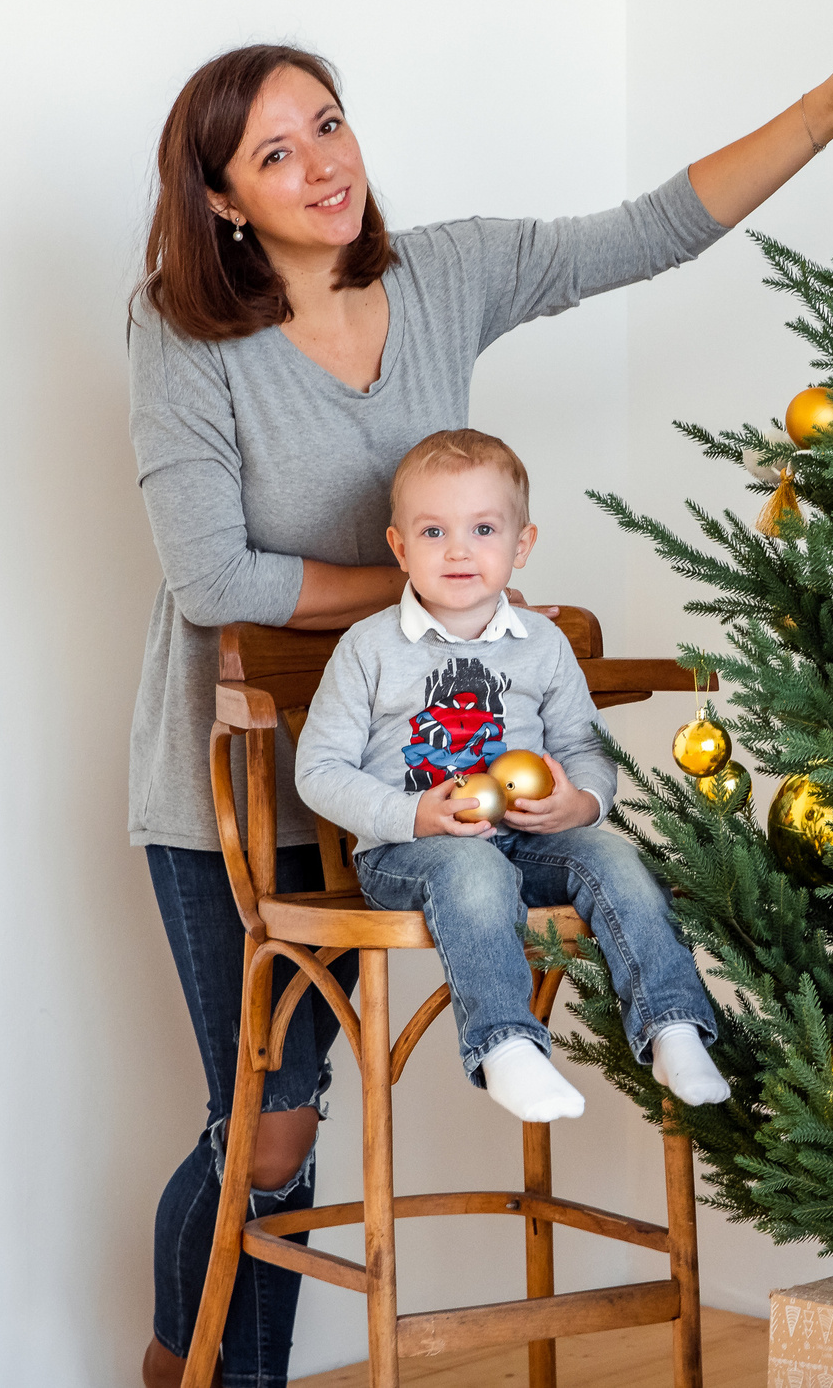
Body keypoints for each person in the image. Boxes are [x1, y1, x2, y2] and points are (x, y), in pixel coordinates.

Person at [128, 37, 833, 1388]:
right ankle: (185, 1360)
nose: (322, 164)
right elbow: (215, 577)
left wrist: (828, 109)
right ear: (223, 202)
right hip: (239, 782)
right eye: (275, 152)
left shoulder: (443, 271)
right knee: (269, 1120)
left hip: (432, 774)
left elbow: (652, 230)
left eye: (330, 123)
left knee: (300, 1128)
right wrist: (440, 585)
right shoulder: (183, 331)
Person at [294, 428, 728, 1123]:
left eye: (484, 528)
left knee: (615, 856)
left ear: (521, 546)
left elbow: (588, 751)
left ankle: (671, 1022)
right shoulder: (369, 648)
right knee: (475, 870)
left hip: (528, 838)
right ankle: (505, 1044)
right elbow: (317, 770)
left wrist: (577, 803)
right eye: (434, 531)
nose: (459, 549)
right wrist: (415, 816)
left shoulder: (542, 644)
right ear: (400, 548)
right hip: (412, 852)